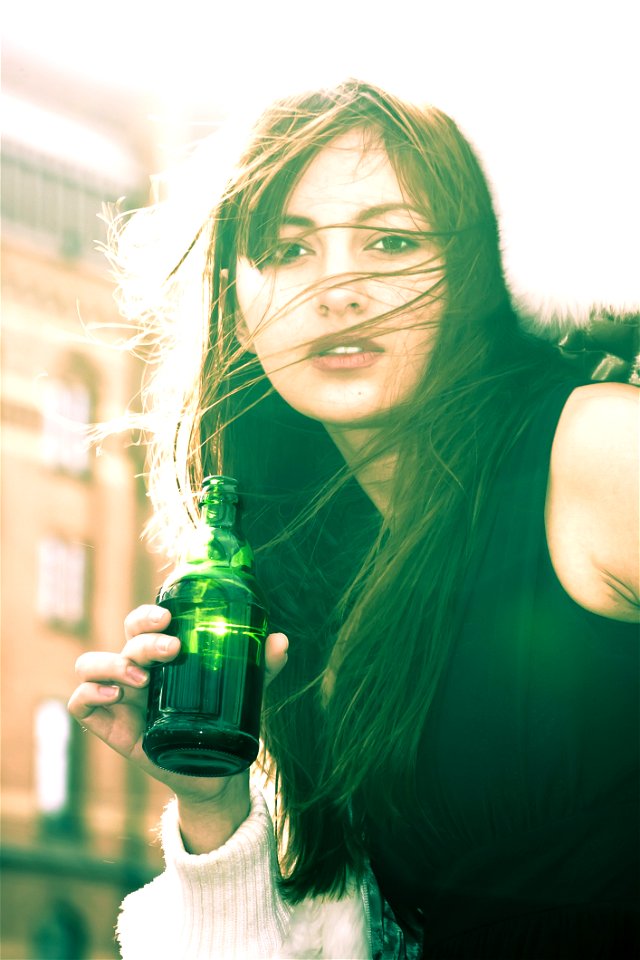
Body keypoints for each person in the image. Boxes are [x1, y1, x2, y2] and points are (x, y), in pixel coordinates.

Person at [68, 79, 639, 959]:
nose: (339, 287)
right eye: (289, 250)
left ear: (472, 274)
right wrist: (214, 805)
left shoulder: (593, 451)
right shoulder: (313, 590)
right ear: (237, 298)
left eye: (393, 241)